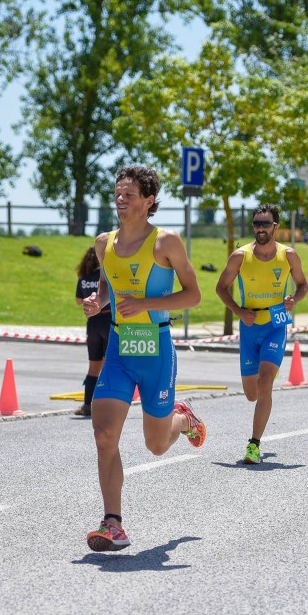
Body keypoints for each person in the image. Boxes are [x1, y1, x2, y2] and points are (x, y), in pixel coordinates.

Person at [81, 165, 206, 552]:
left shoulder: (165, 242)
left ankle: (183, 420)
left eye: (129, 194)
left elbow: (193, 296)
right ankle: (112, 523)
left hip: (156, 349)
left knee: (155, 444)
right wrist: (97, 301)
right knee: (104, 436)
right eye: (117, 193)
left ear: (149, 201)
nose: (120, 200)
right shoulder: (105, 243)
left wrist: (147, 303)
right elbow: (107, 288)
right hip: (119, 350)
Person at [215, 203, 308, 465]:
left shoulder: (289, 255)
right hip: (249, 325)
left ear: (276, 227)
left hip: (276, 325)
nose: (260, 229)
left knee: (265, 382)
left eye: (265, 224)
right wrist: (237, 310)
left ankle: (253, 445)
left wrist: (294, 300)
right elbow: (221, 288)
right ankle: (266, 374)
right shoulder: (240, 257)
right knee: (252, 393)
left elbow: (303, 285)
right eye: (257, 224)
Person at [74, 246, 111, 417]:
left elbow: (79, 301)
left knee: (93, 366)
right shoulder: (104, 275)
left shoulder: (83, 277)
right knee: (110, 365)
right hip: (108, 319)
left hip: (92, 323)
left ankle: (88, 405)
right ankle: (109, 405)